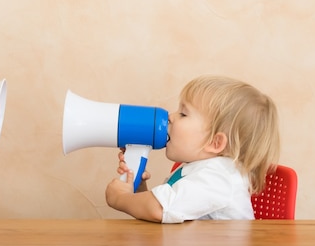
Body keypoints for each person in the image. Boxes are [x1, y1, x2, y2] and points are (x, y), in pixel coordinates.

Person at [105, 75, 280, 223]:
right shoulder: (197, 168)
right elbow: (167, 213)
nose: (171, 117)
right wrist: (139, 189)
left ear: (215, 142)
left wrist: (122, 198)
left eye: (183, 114)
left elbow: (160, 209)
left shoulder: (219, 178)